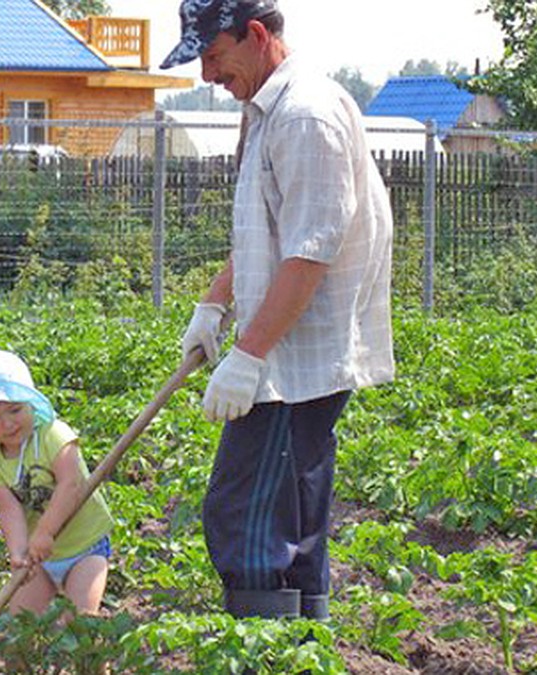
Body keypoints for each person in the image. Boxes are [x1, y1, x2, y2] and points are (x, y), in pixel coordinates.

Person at [161, 0, 395, 621]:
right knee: (292, 507)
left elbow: (310, 254)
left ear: (257, 35)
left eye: (214, 56)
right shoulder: (266, 111)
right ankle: (299, 645)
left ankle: (257, 647)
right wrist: (214, 303)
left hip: (291, 359)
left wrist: (248, 355)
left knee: (246, 512)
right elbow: (270, 232)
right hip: (284, 349)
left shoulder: (304, 116)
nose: (208, 74)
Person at [0, 350, 114, 617]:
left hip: (85, 547)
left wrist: (46, 531)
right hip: (39, 558)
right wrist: (17, 552)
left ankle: (93, 658)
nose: (7, 423)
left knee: (80, 624)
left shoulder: (54, 434)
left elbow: (69, 485)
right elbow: (9, 510)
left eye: (14, 410)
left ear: (29, 403)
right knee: (19, 628)